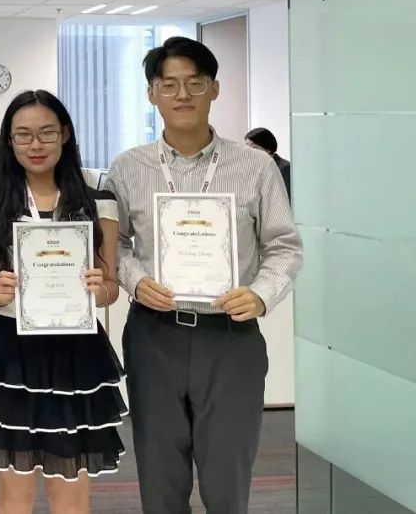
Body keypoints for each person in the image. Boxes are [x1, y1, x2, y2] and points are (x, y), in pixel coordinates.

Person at [105, 36, 303, 514]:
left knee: (227, 479)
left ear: (214, 89)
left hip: (230, 338)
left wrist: (261, 294)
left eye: (195, 83)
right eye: (169, 84)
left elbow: (284, 245)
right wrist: (135, 280)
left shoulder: (255, 166)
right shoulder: (127, 168)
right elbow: (116, 244)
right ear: (152, 93)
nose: (183, 94)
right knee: (160, 479)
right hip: (154, 336)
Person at [0, 90, 127, 514]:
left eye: (47, 133)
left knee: (68, 487)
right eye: (24, 135)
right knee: (12, 492)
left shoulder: (98, 201)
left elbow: (111, 286)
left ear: (65, 134)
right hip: (8, 352)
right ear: (10, 140)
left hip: (74, 353)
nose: (35, 145)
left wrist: (99, 289)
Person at [245, 127, 291, 198]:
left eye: (254, 148)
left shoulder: (284, 168)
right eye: (246, 147)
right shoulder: (254, 167)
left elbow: (282, 198)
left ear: (268, 149)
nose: (248, 151)